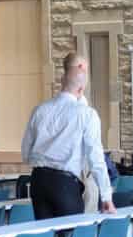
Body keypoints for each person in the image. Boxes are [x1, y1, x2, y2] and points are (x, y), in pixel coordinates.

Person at [21, 52, 116, 218]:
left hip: (38, 180)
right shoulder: (87, 114)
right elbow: (96, 158)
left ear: (62, 82)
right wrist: (106, 196)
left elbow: (25, 153)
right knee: (70, 236)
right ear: (81, 89)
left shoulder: (40, 109)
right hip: (64, 184)